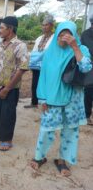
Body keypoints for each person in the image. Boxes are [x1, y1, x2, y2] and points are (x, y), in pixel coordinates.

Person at [30, 21, 92, 177]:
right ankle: (39, 157)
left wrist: (75, 47)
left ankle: (62, 160)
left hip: (73, 100)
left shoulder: (81, 49)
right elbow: (43, 77)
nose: (64, 37)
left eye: (68, 33)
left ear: (73, 35)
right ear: (57, 34)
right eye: (61, 33)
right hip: (52, 99)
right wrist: (43, 99)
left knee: (70, 131)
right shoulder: (50, 51)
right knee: (46, 129)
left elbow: (85, 68)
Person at [0, 16, 29, 151]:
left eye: (2, 28)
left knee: (8, 113)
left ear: (10, 29)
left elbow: (22, 68)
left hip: (10, 88)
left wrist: (8, 88)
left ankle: (7, 139)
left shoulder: (20, 46)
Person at [24, 15, 54, 109]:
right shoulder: (39, 38)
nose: (44, 27)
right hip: (37, 65)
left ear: (52, 26)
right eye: (43, 25)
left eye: (47, 25)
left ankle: (47, 103)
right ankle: (34, 102)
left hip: (48, 66)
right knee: (35, 84)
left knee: (47, 84)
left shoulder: (54, 38)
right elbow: (34, 51)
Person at [80, 14, 93, 125]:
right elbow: (88, 50)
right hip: (89, 66)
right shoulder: (86, 34)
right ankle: (86, 115)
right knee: (89, 90)